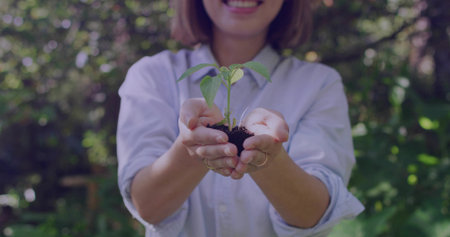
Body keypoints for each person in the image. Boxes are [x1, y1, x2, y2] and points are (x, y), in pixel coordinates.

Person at [117, 0, 364, 236]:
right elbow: (147, 206)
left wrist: (272, 159)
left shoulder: (318, 84)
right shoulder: (152, 76)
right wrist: (192, 146)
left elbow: (313, 214)